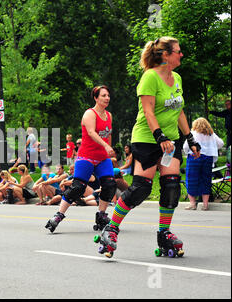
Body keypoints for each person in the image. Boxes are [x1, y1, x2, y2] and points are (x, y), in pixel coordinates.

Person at [97, 37, 201, 258]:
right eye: (178, 52)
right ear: (165, 55)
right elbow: (148, 111)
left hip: (170, 141)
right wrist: (159, 135)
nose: (181, 55)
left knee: (172, 186)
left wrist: (190, 138)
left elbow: (179, 111)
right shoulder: (150, 77)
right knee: (141, 188)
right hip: (147, 138)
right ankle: (111, 228)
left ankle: (164, 233)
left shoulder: (177, 78)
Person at [45, 85, 117, 233]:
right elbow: (91, 132)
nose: (107, 98)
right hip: (87, 156)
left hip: (102, 157)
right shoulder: (89, 114)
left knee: (109, 184)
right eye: (103, 95)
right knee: (78, 187)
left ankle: (101, 215)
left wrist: (109, 148)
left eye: (108, 95)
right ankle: (58, 215)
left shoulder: (109, 115)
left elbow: (108, 134)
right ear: (96, 98)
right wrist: (106, 146)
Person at [183, 117, 224, 211]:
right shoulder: (211, 134)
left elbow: (185, 146)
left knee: (191, 180)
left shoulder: (193, 133)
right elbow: (221, 143)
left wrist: (187, 152)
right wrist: (212, 147)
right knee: (206, 180)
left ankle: (192, 204)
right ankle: (205, 205)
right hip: (208, 158)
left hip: (194, 157)